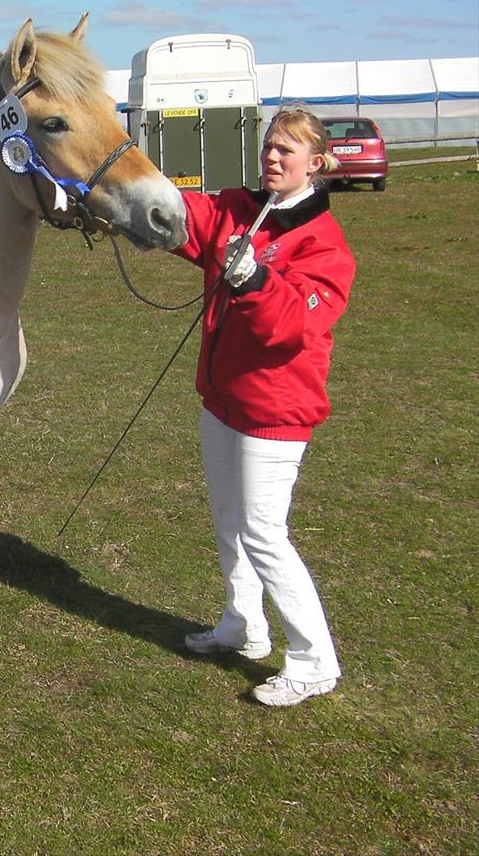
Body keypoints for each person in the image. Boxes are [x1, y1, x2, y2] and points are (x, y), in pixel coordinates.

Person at [173, 109, 356, 707]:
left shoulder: (325, 246)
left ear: (317, 163)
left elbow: (290, 329)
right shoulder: (239, 209)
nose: (273, 158)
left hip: (275, 413)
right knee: (230, 522)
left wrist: (255, 282)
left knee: (263, 532)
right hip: (222, 401)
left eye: (288, 152)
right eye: (269, 147)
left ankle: (314, 658)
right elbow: (185, 217)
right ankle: (242, 626)